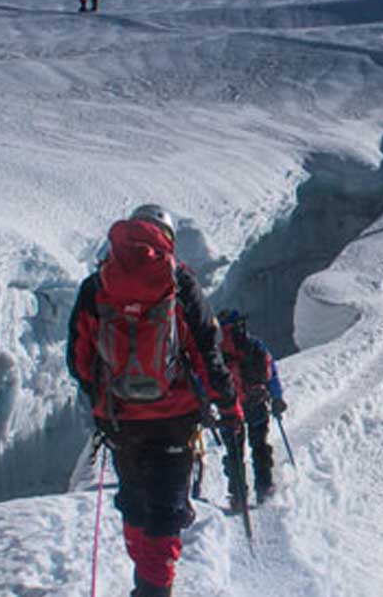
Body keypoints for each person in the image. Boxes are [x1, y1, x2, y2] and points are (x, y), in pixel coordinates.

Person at [67, 204, 241, 597]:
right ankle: (154, 590)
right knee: (167, 511)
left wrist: (102, 398)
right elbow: (207, 352)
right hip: (174, 418)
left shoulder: (97, 286)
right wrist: (228, 405)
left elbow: (78, 358)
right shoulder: (179, 283)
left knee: (134, 500)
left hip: (120, 420)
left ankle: (144, 579)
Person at [215, 310, 287, 505]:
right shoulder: (255, 346)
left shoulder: (217, 352)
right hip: (256, 403)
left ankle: (238, 494)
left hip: (229, 409)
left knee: (234, 452)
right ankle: (264, 487)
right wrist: (277, 397)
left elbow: (204, 379)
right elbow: (271, 374)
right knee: (260, 446)